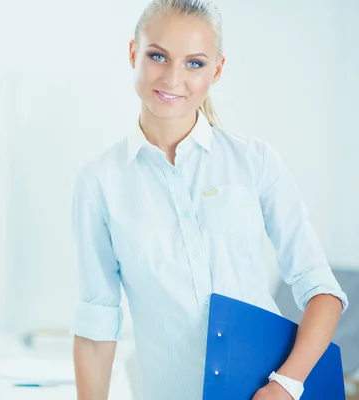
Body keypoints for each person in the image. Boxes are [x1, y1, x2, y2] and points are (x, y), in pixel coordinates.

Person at [70, 0, 348, 399]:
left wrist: (286, 385)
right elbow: (97, 326)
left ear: (216, 70)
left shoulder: (254, 162)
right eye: (157, 56)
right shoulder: (100, 181)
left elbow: (321, 290)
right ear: (134, 53)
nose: (172, 78)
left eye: (194, 63)